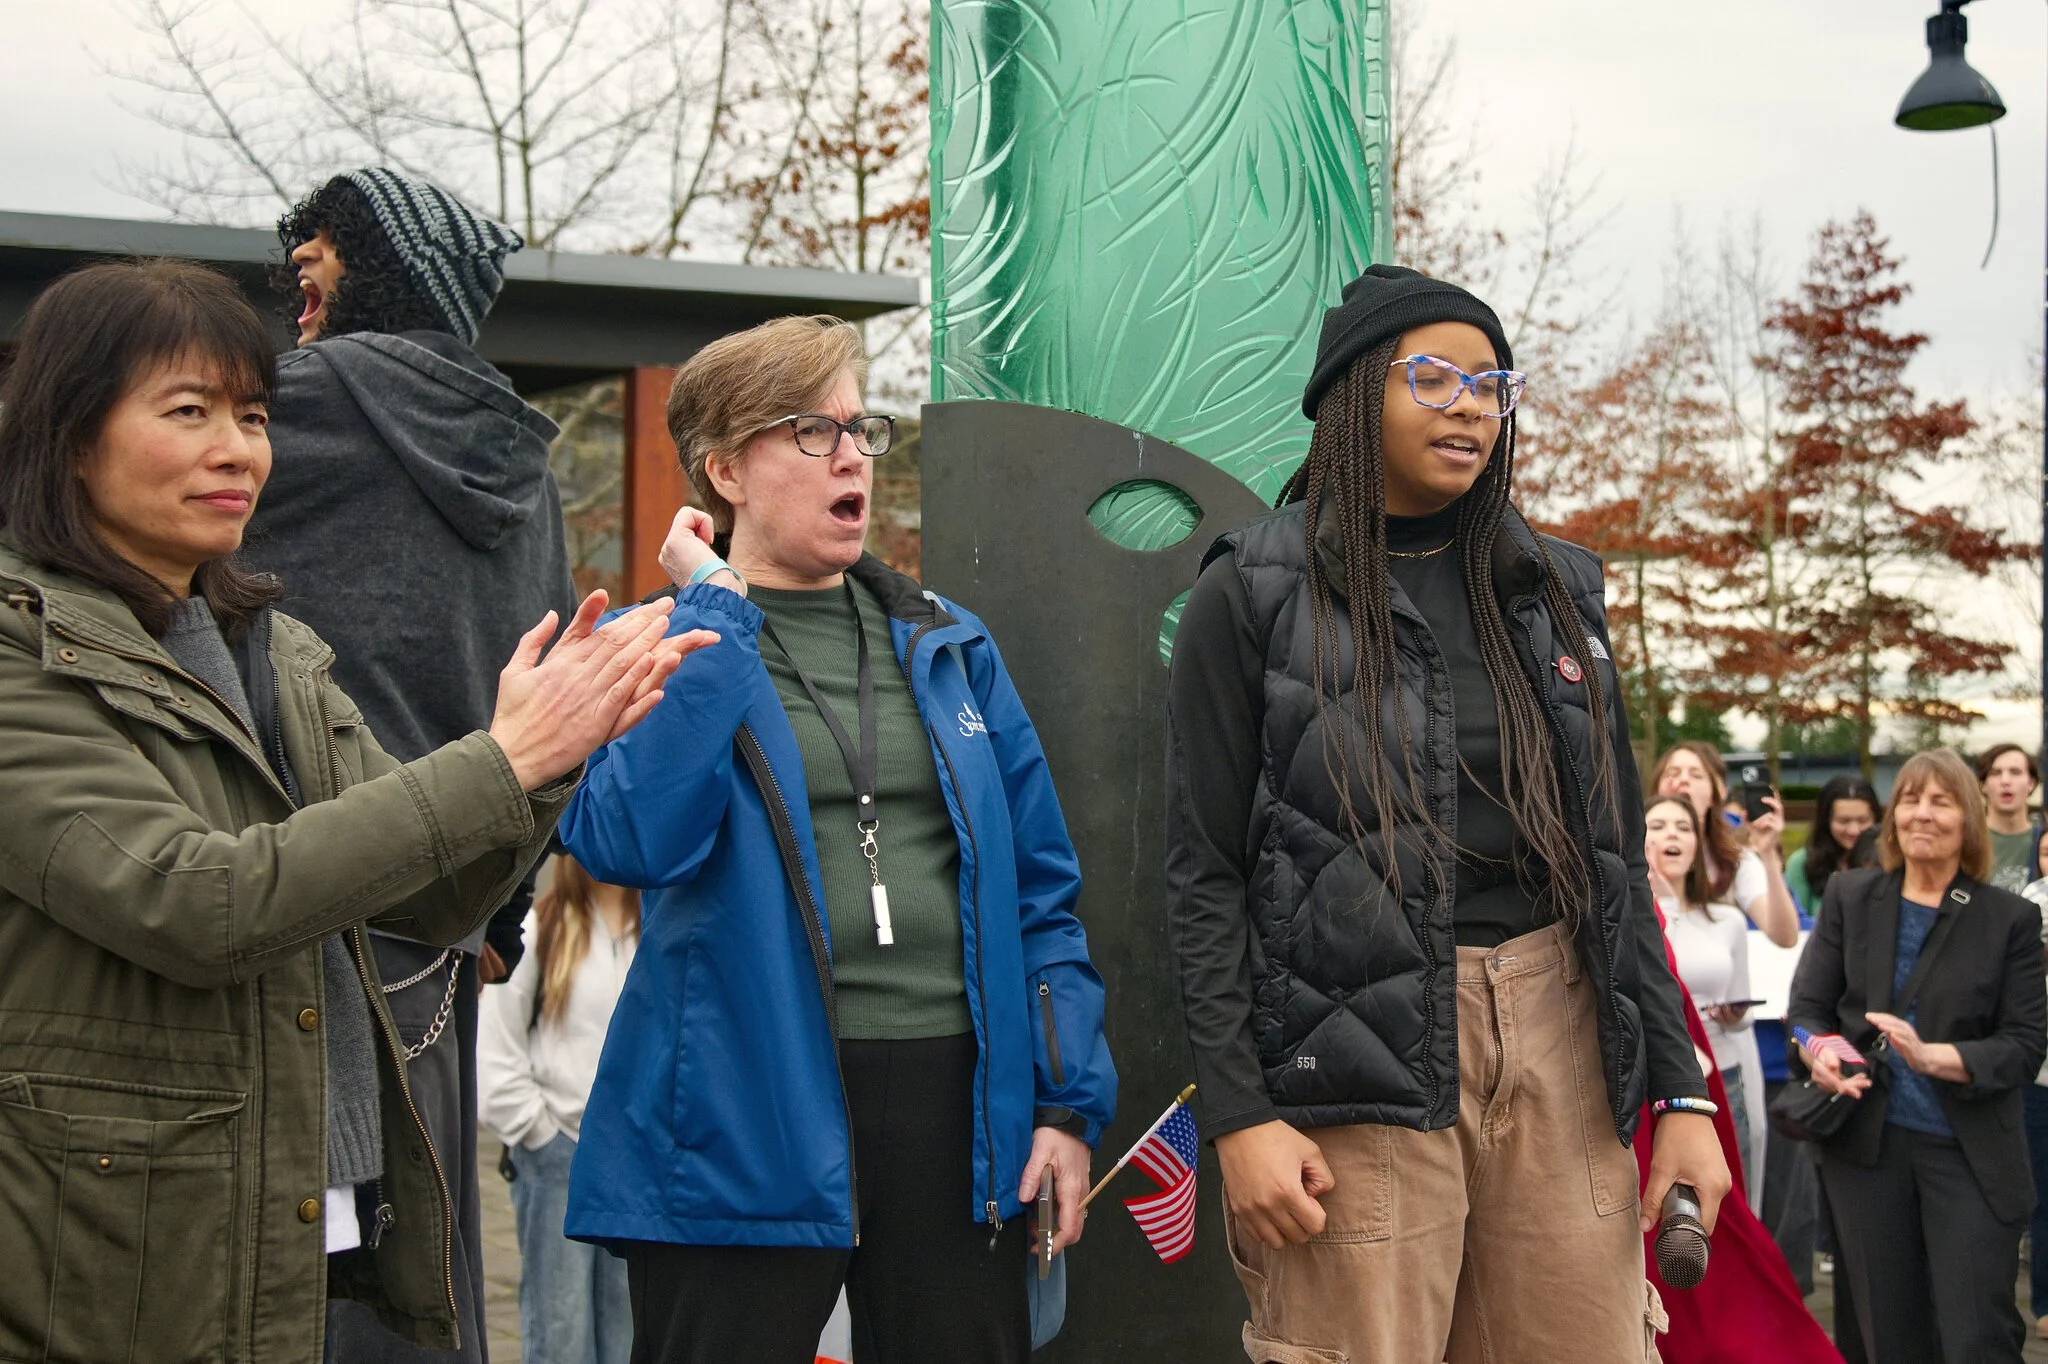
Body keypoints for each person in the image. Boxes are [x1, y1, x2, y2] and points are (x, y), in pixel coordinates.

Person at [0, 259, 708, 1363]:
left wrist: (545, 761)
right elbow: (194, 896)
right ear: (68, 432)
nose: (239, 449)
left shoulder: (271, 646)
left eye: (250, 414)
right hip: (119, 1243)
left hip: (319, 1203)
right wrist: (499, 757)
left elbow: (429, 900)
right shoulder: (21, 646)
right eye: (187, 412)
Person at [1165, 264, 1729, 1361]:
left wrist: (1684, 1094)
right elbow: (1204, 873)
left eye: (1490, 384)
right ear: (1352, 390)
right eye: (1432, 377)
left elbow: (1611, 861)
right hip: (1348, 1048)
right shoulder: (1251, 590)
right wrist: (1237, 1112)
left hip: (1558, 1027)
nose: (1469, 405)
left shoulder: (1554, 589)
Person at [556, 314, 1117, 1364]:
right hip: (739, 1108)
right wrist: (715, 617)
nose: (852, 453)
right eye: (812, 429)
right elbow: (628, 837)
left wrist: (1063, 1102)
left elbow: (1040, 887)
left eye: (863, 428)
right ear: (724, 467)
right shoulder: (655, 640)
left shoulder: (951, 643)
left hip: (956, 1113)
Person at [242, 166, 574, 1361]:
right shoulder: (521, 458)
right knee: (419, 1279)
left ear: (383, 266)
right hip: (439, 936)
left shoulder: (284, 410)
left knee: (276, 1280)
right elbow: (546, 699)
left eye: (318, 263)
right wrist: (505, 909)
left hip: (281, 907)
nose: (297, 290)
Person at [1789, 748, 2047, 1363]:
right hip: (1865, 1150)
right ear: (1892, 815)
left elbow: (2023, 1045)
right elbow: (1806, 1011)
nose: (1922, 814)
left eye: (1941, 800)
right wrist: (1822, 1054)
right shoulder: (1852, 896)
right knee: (1887, 1335)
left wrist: (1933, 1058)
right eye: (1909, 798)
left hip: (1970, 1150)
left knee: (1975, 1335)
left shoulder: (2010, 919)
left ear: (1970, 819)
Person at [478, 853, 639, 1364]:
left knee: (632, 1331)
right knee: (560, 1330)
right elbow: (495, 1048)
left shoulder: (660, 931)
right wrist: (538, 1134)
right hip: (558, 1156)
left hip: (638, 1161)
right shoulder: (541, 928)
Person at [1645, 795, 1759, 1187]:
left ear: (1697, 844)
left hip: (1722, 1075)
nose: (1670, 834)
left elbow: (1746, 1018)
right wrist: (1664, 907)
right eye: (1657, 826)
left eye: (1683, 827)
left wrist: (1737, 1014)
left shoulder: (1727, 921)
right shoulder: (1627, 920)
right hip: (1660, 1084)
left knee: (1730, 1200)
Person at [1650, 741, 1801, 947]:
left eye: (1696, 775)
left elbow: (1785, 937)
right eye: (1673, 773)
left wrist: (1768, 854)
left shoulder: (1735, 861)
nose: (1683, 780)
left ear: (1718, 792)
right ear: (1656, 788)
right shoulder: (1627, 856)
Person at [1786, 776, 1883, 914]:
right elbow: (1795, 921)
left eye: (1863, 821)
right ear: (1827, 821)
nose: (1853, 830)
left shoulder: (1891, 862)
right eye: (1843, 821)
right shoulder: (1801, 863)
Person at [1978, 742, 2043, 893]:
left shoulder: (2044, 843)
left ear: (2031, 783)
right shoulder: (1967, 841)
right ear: (1983, 785)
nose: (2005, 781)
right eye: (1995, 773)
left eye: (2015, 772)